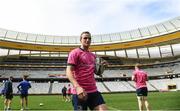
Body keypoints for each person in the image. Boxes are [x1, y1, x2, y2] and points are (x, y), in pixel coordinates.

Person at [66, 31, 108, 110]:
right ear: (80, 40)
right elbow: (68, 71)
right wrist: (77, 87)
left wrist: (102, 67)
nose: (87, 40)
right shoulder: (74, 53)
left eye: (89, 38)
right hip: (80, 92)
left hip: (93, 91)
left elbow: (96, 72)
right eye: (85, 38)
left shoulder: (93, 56)